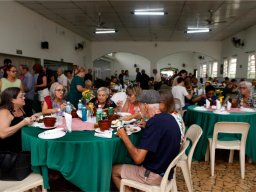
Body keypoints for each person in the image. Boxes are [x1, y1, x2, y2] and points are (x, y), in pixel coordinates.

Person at [112, 90, 184, 190]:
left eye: (139, 106)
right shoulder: (169, 117)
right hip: (166, 171)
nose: (139, 110)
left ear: (145, 106)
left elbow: (138, 159)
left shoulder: (154, 122)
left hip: (154, 175)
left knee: (114, 170)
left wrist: (124, 136)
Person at [0, 87, 36, 152]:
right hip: (10, 152)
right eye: (21, 96)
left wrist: (31, 119)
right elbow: (2, 134)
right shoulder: (4, 112)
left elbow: (22, 121)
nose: (24, 98)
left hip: (23, 145)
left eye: (23, 96)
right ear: (12, 100)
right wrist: (23, 123)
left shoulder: (20, 108)